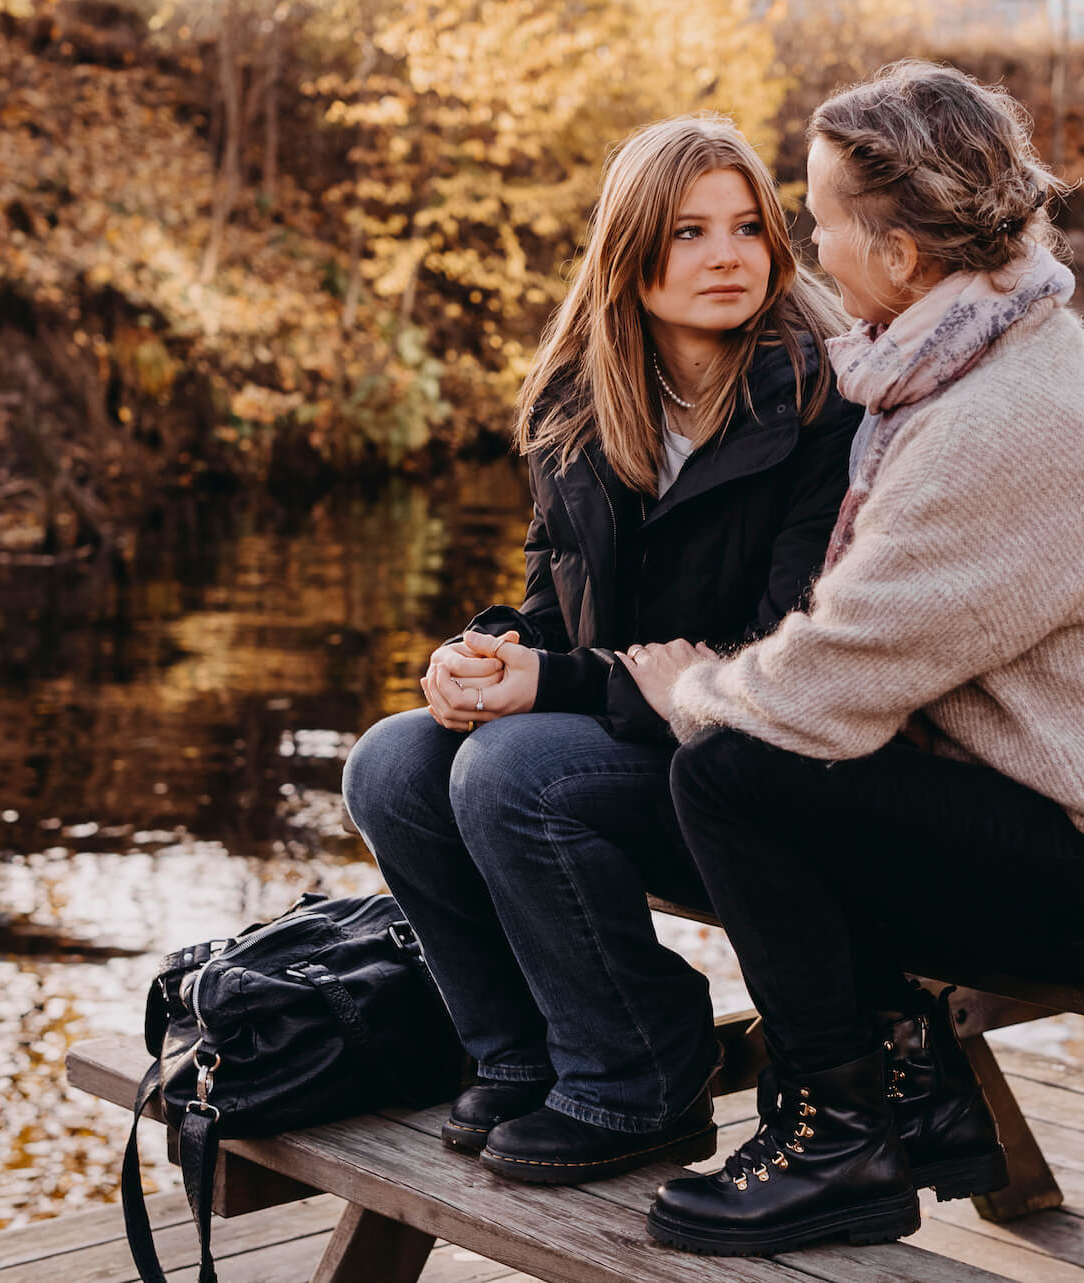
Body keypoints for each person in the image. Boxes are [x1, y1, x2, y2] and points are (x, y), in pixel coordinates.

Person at [611, 63, 1084, 1255]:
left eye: (820, 219)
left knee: (729, 774)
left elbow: (833, 677)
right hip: (1068, 812)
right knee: (772, 778)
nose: (805, 246)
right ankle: (912, 1090)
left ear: (899, 254)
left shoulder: (1001, 419)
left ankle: (837, 1138)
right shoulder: (972, 355)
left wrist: (686, 687)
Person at [340, 114, 860, 1188]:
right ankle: (519, 1051)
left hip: (752, 758)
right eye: (686, 233)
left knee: (514, 770)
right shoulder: (578, 404)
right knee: (392, 763)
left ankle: (639, 1071)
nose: (727, 256)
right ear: (629, 254)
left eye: (748, 228)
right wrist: (482, 654)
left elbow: (782, 649)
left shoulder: (821, 400)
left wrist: (558, 683)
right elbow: (553, 608)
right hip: (641, 728)